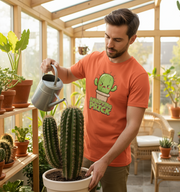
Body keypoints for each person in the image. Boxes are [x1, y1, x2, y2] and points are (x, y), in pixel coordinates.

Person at [41, 8, 150, 192]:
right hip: (83, 153)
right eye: (107, 36)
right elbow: (67, 76)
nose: (109, 44)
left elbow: (133, 125)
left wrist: (105, 160)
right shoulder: (92, 59)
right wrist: (54, 67)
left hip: (114, 160)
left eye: (117, 40)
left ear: (132, 39)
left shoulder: (138, 75)